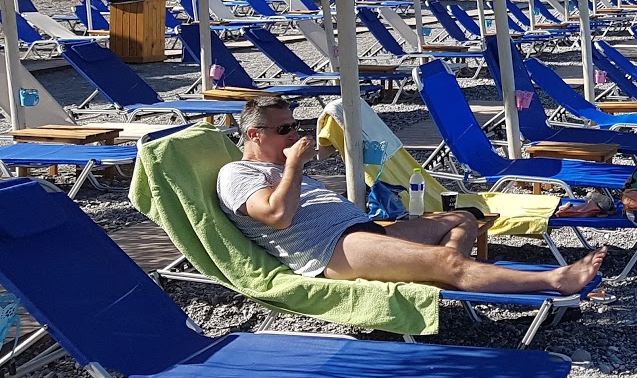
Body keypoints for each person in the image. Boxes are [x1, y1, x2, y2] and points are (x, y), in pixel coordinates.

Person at [217, 95, 604, 294]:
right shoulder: (236, 173)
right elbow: (277, 217)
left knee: (463, 218)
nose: (295, 133)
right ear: (255, 135)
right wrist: (294, 165)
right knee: (447, 263)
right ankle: (554, 279)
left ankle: (448, 266)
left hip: (361, 230)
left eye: (295, 125)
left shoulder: (278, 166)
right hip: (331, 250)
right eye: (285, 129)